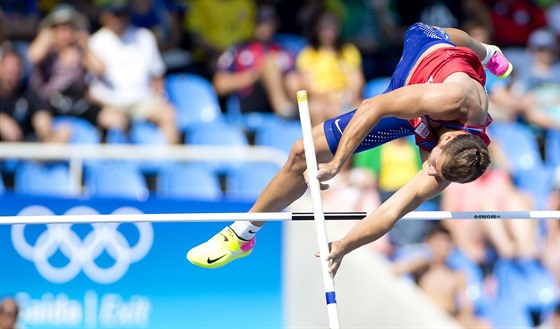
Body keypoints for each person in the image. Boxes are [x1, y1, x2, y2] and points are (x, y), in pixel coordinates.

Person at [187, 22, 513, 274]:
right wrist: (338, 163)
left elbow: (390, 211)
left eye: (435, 170)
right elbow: (373, 105)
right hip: (427, 60)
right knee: (303, 152)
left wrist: (344, 245)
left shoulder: (454, 161)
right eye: (432, 162)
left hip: (414, 111)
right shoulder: (453, 99)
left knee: (306, 152)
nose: (427, 168)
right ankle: (488, 52)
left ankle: (240, 235)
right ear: (451, 138)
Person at [88, 1, 179, 144]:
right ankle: (116, 165)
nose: (118, 18)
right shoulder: (94, 42)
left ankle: (172, 163)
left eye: (122, 14)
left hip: (144, 102)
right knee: (112, 121)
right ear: (104, 15)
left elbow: (157, 75)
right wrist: (107, 106)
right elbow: (90, 87)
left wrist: (160, 98)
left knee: (168, 113)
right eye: (114, 14)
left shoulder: (144, 37)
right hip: (111, 103)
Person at [27, 4, 125, 133]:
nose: (65, 33)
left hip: (78, 104)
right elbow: (32, 57)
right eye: (60, 28)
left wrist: (86, 46)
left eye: (69, 28)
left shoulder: (81, 53)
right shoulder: (47, 53)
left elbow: (101, 69)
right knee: (43, 122)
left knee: (116, 119)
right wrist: (46, 36)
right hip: (50, 105)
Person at [391, 223, 492, 329]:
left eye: (448, 242)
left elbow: (467, 309)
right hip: (421, 317)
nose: (445, 246)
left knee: (484, 325)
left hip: (446, 320)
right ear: (430, 242)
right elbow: (395, 270)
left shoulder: (457, 275)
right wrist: (419, 261)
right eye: (440, 241)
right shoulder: (421, 267)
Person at [296, 9, 364, 125]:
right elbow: (308, 88)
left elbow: (356, 82)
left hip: (346, 98)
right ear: (316, 28)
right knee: (316, 108)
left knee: (362, 109)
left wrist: (345, 98)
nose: (329, 28)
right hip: (321, 100)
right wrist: (331, 98)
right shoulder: (307, 54)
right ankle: (320, 143)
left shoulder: (349, 51)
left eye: (332, 24)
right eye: (324, 25)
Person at [0, 46, 69, 143]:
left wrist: (48, 133)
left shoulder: (28, 92)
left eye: (17, 66)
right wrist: (2, 120)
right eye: (9, 66)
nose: (13, 70)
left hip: (24, 148)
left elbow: (41, 116)